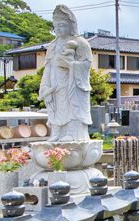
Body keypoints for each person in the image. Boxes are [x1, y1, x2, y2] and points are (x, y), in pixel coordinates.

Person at [39, 5, 93, 142]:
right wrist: (45, 85)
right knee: (56, 108)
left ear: (71, 25)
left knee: (72, 107)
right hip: (55, 84)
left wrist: (71, 65)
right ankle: (57, 133)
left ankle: (72, 133)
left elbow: (86, 64)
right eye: (55, 26)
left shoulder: (81, 43)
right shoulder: (52, 45)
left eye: (62, 25)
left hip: (73, 84)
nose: (58, 29)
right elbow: (48, 66)